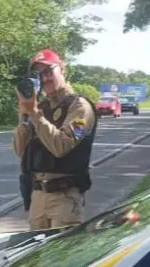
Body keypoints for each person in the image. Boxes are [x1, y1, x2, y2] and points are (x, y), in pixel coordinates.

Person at [13, 48, 99, 230]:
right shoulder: (40, 107)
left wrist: (35, 114)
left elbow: (62, 146)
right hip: (37, 195)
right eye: (39, 74)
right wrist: (24, 116)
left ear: (62, 69)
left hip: (64, 197)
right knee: (35, 255)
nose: (45, 79)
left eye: (48, 71)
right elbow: (20, 151)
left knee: (59, 255)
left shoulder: (81, 108)